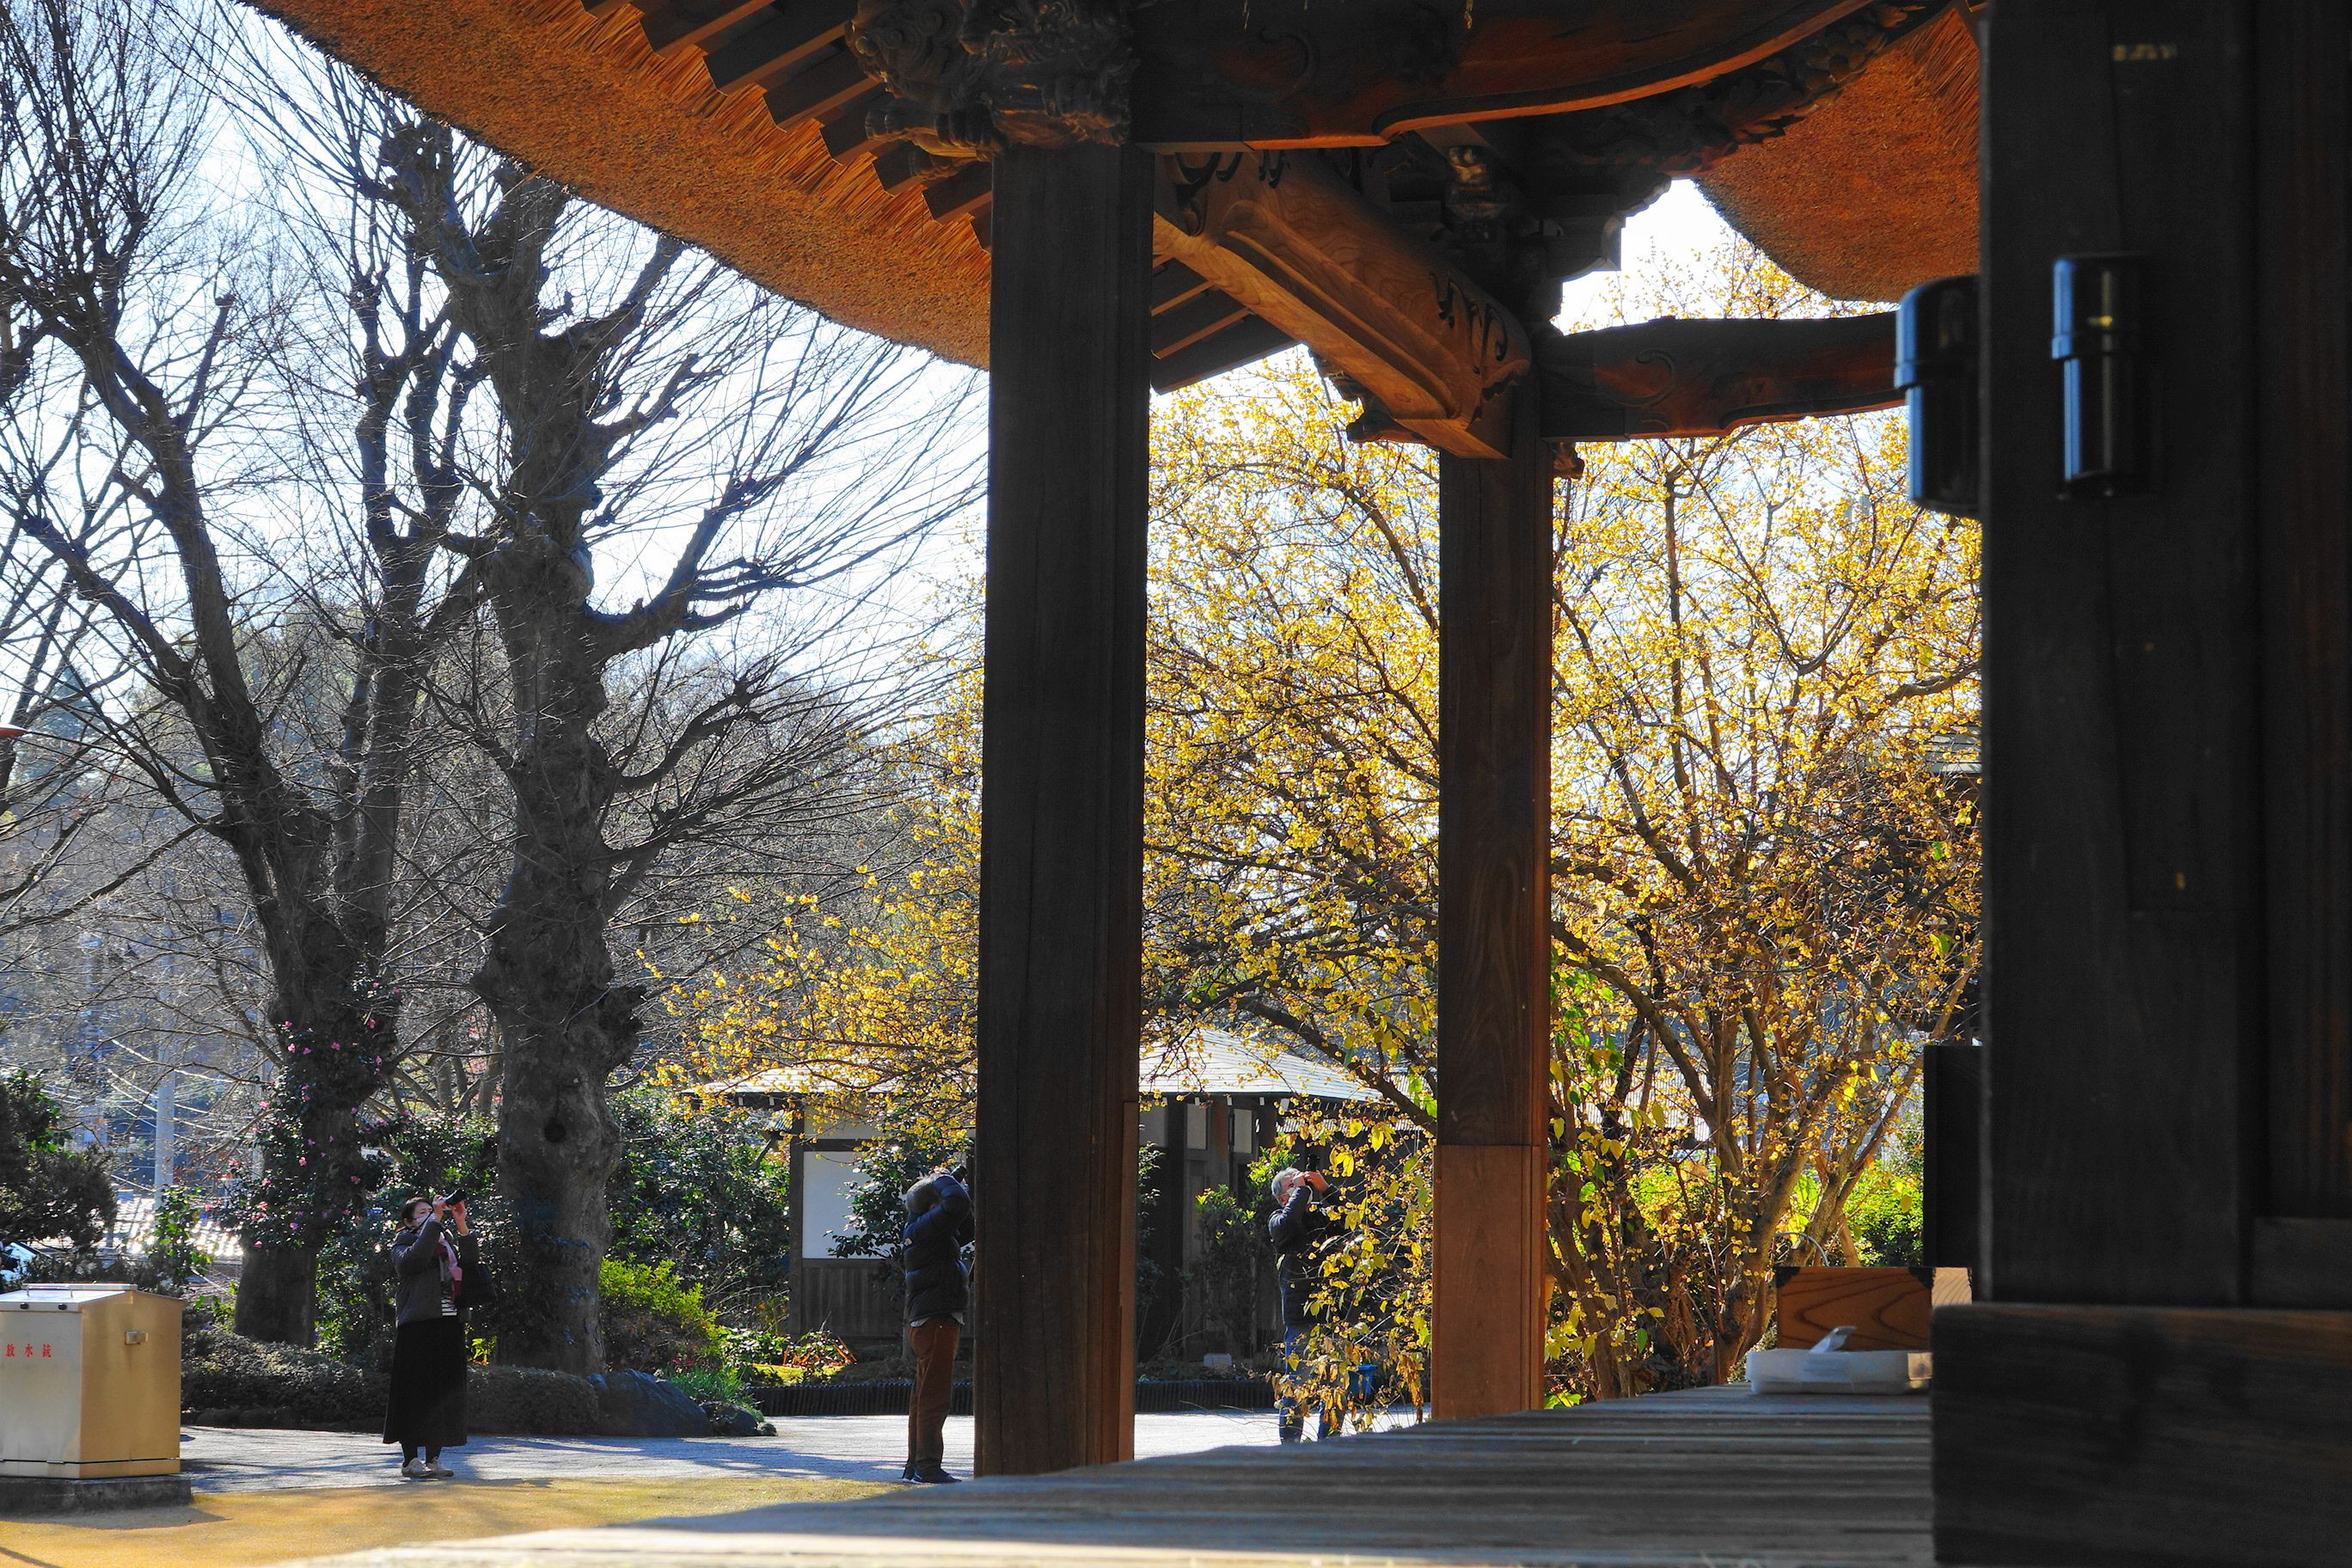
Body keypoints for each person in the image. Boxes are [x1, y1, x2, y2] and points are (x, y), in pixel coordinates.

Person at [383, 1193, 477, 1479]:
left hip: (449, 1324)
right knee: (413, 1393)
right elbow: (414, 1261)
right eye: (423, 1212)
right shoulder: (403, 1243)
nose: (431, 1214)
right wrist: (434, 1221)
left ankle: (434, 1458)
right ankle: (410, 1460)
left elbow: (472, 1264)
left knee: (443, 1394)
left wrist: (461, 1223)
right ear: (409, 1221)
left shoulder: (447, 1243)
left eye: (432, 1210)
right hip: (417, 1325)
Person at [899, 1167, 972, 1485]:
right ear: (932, 1207)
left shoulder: (922, 1229)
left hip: (928, 1320)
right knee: (934, 1397)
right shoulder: (928, 1228)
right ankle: (927, 1467)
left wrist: (954, 1181)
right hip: (937, 1320)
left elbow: (965, 1220)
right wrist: (942, 1177)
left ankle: (915, 1464)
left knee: (922, 1396)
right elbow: (957, 1204)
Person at [1267, 1165, 1332, 1443]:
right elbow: (1289, 1223)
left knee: (1335, 1387)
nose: (1301, 1188)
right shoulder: (1277, 1220)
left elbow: (1348, 1222)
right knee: (1297, 1385)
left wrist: (1326, 1189)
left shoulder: (1320, 1218)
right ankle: (1290, 1447)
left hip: (1331, 1315)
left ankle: (1331, 1444)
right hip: (1300, 1318)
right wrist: (1302, 1191)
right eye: (1292, 1186)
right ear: (1284, 1198)